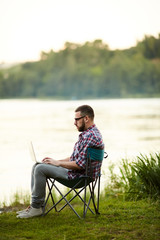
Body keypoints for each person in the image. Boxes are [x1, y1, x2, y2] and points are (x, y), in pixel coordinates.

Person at [17, 105, 104, 218]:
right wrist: (55, 161)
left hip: (79, 177)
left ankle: (36, 208)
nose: (74, 123)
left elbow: (79, 165)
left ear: (86, 118)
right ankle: (35, 206)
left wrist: (58, 164)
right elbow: (75, 158)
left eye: (77, 119)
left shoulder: (90, 136)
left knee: (39, 169)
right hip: (78, 173)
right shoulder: (89, 134)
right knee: (37, 165)